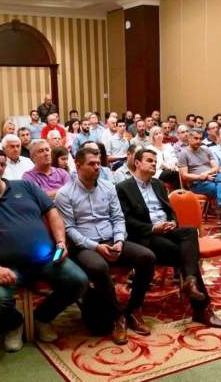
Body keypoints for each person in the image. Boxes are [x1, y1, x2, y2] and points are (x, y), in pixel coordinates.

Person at [0, 156, 87, 350]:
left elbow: (52, 213)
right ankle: (14, 324)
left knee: (78, 281)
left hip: (47, 259)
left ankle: (42, 317)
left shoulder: (26, 187)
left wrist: (61, 242)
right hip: (5, 267)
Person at [55, 147, 156, 345]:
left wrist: (119, 240)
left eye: (98, 163)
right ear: (78, 166)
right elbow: (70, 230)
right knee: (98, 266)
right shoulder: (65, 194)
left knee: (147, 257)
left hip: (111, 239)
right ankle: (118, 316)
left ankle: (134, 309)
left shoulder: (108, 187)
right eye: (91, 164)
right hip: (84, 245)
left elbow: (118, 218)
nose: (97, 167)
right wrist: (96, 247)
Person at [116, 150, 221, 328]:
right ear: (137, 163)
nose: (154, 164)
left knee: (190, 231)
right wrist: (153, 228)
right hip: (145, 235)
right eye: (149, 160)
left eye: (155, 161)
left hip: (166, 230)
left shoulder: (158, 184)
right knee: (184, 254)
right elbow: (126, 221)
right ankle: (202, 308)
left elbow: (169, 210)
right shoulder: (123, 187)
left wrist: (173, 222)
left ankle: (190, 282)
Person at [177, 129, 221, 220]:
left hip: (211, 176)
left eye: (200, 139)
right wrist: (201, 177)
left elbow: (216, 167)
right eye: (196, 138)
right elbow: (184, 175)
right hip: (197, 183)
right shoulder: (183, 154)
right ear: (189, 138)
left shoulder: (206, 150)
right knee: (220, 189)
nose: (198, 141)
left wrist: (206, 173)